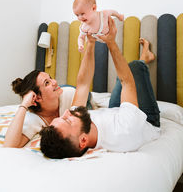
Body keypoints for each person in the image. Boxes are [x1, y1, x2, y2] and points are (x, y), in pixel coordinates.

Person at [40, 17, 160, 159]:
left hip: (116, 111)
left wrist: (90, 42)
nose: (66, 112)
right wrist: (111, 41)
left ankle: (141, 59)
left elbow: (83, 84)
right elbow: (127, 81)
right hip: (144, 119)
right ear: (83, 140)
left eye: (62, 117)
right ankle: (145, 58)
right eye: (67, 120)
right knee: (133, 68)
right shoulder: (124, 130)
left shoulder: (77, 123)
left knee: (121, 71)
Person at [3, 34, 96, 148]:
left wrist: (90, 44)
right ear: (36, 98)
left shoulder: (69, 95)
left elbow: (83, 86)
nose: (54, 81)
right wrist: (23, 105)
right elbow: (9, 146)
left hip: (79, 96)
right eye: (47, 83)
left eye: (50, 78)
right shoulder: (33, 119)